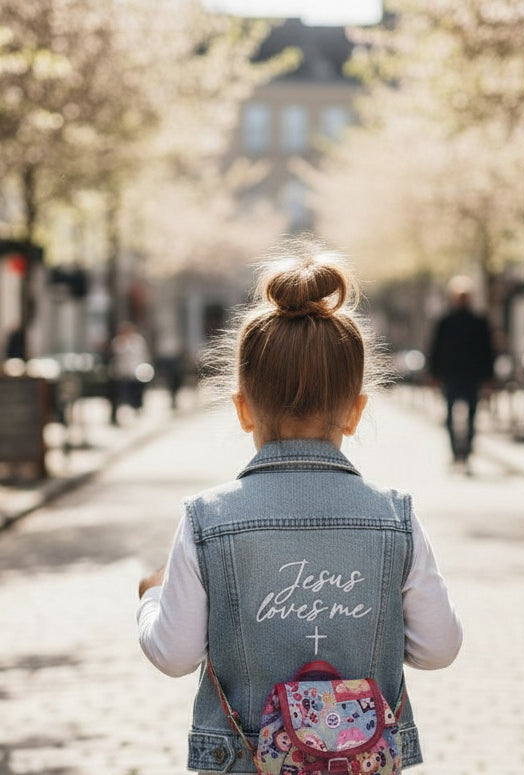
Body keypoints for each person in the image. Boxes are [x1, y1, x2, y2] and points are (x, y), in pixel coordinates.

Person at [137, 242, 463, 773]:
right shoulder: (395, 518)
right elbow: (439, 648)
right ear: (356, 411)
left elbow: (173, 655)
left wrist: (152, 600)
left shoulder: (207, 520)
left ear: (242, 407)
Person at [428, 276, 494, 468]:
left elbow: (487, 350)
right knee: (449, 416)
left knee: (472, 416)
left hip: (472, 377)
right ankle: (456, 453)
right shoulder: (445, 321)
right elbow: (436, 348)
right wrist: (434, 374)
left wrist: (488, 377)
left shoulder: (479, 321)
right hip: (451, 377)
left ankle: (467, 452)